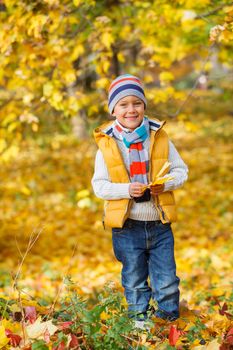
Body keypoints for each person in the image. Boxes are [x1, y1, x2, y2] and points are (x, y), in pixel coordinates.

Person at [91, 74, 188, 328]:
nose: (131, 109)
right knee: (134, 279)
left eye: (137, 103)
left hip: (159, 223)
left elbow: (181, 171)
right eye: (123, 104)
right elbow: (99, 186)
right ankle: (140, 326)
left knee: (166, 279)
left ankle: (168, 326)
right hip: (127, 226)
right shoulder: (108, 144)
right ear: (113, 109)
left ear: (144, 106)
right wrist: (126, 190)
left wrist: (163, 185)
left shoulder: (159, 137)